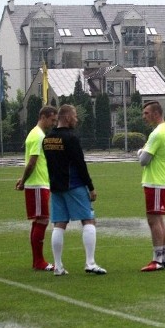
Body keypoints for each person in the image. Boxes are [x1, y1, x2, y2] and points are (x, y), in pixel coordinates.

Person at [43, 104, 106, 276]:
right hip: (74, 184)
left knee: (59, 224)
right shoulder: (71, 138)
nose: (76, 119)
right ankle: (90, 262)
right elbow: (80, 164)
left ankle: (58, 266)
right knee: (88, 220)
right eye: (75, 116)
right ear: (68, 117)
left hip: (56, 186)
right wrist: (90, 187)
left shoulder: (47, 139)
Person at [16, 106, 58, 271]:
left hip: (39, 183)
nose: (53, 123)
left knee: (39, 220)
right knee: (42, 220)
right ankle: (38, 261)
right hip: (38, 185)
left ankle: (37, 260)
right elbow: (32, 162)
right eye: (52, 120)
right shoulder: (38, 136)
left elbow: (32, 162)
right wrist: (23, 181)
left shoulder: (35, 134)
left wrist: (23, 180)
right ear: (44, 117)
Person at [137, 101, 165, 272]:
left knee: (153, 220)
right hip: (161, 180)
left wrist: (139, 153)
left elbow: (143, 160)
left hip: (155, 181)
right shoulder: (164, 130)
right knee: (159, 219)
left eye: (146, 113)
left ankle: (157, 259)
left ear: (156, 113)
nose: (144, 116)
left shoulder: (157, 133)